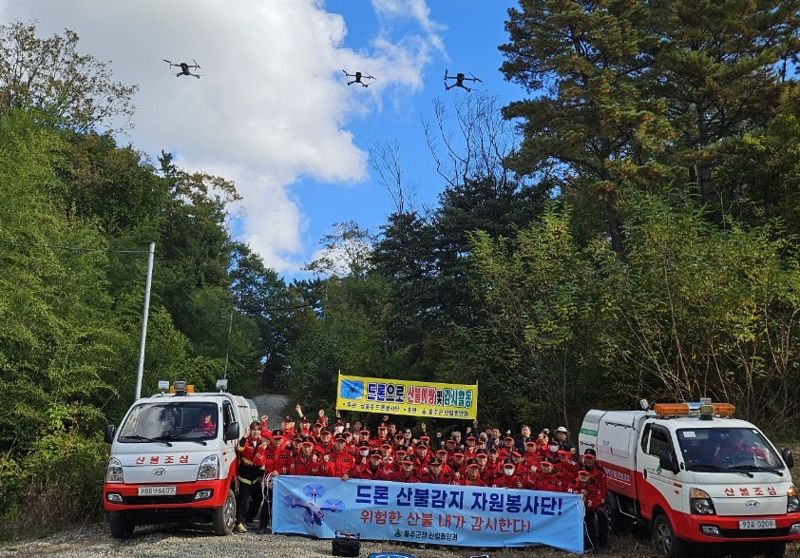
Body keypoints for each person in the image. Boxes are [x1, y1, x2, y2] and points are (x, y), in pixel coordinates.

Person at [235, 422, 264, 533]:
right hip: (245, 474)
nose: (256, 432)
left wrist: (261, 475)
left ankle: (248, 519)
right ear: (250, 430)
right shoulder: (246, 441)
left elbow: (263, 460)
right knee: (244, 499)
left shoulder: (262, 443)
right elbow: (239, 449)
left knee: (258, 499)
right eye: (254, 430)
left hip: (256, 475)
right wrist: (245, 436)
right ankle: (239, 522)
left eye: (258, 430)